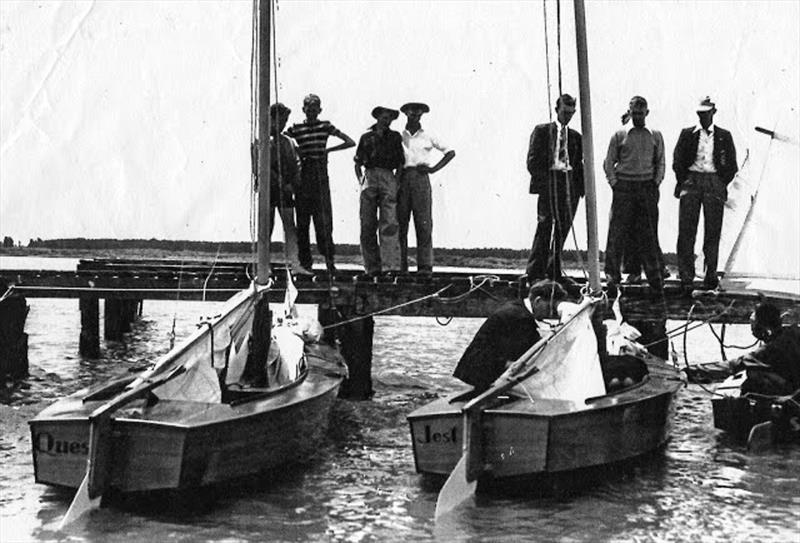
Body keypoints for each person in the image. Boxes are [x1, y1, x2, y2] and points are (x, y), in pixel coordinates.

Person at [453, 280, 569, 391]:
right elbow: (533, 351)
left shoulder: (517, 308)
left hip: (475, 366)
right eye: (549, 308)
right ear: (537, 301)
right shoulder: (520, 318)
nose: (549, 314)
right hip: (480, 370)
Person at [673, 96, 738, 291]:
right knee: (686, 231)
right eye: (700, 113)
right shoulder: (687, 134)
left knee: (713, 231)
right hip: (691, 181)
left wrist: (719, 182)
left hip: (714, 182)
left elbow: (731, 165)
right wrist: (684, 180)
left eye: (706, 113)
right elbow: (678, 160)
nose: (703, 117)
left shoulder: (724, 136)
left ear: (713, 113)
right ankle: (686, 276)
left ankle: (710, 275)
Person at [286, 94, 356, 273]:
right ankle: (305, 264)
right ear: (303, 110)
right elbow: (281, 140)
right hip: (303, 175)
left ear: (320, 110)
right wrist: (297, 152)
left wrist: (329, 150)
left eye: (314, 109)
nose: (311, 112)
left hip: (320, 175)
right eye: (308, 109)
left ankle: (330, 263)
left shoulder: (325, 126)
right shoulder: (296, 128)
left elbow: (350, 142)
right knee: (302, 222)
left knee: (324, 221)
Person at [603, 96, 665, 292]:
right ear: (629, 113)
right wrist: (614, 183)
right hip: (624, 187)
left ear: (647, 113)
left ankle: (654, 275)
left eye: (641, 113)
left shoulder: (655, 135)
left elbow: (660, 161)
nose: (638, 117)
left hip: (646, 186)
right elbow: (608, 162)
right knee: (618, 232)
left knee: (647, 233)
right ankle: (613, 274)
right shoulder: (619, 134)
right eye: (634, 113)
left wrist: (656, 183)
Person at [526, 94, 584, 285]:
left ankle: (554, 269)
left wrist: (580, 189)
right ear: (556, 109)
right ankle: (535, 271)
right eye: (565, 112)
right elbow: (532, 161)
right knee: (545, 226)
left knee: (562, 229)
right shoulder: (542, 131)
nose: (568, 116)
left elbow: (580, 164)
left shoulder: (576, 137)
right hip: (549, 184)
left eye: (571, 112)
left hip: (569, 186)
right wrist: (546, 182)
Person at [690, 302, 800, 395]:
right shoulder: (793, 332)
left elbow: (733, 366)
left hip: (794, 394)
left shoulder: (769, 351)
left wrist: (692, 371)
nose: (752, 330)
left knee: (753, 374)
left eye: (753, 325)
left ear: (764, 329)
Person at [397, 102, 455, 276]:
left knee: (424, 223)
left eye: (418, 113)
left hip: (421, 179)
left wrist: (433, 169)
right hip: (402, 177)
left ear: (422, 115)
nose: (415, 116)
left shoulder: (428, 136)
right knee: (400, 224)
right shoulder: (398, 136)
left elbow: (450, 152)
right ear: (406, 113)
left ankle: (425, 267)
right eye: (411, 113)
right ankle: (400, 267)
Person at [353, 106, 406, 276]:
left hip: (387, 176)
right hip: (369, 176)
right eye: (384, 117)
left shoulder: (395, 137)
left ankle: (390, 267)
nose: (386, 120)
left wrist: (396, 182)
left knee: (389, 222)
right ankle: (371, 268)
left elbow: (400, 163)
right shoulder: (366, 137)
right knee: (367, 224)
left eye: (389, 118)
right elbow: (357, 162)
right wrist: (361, 180)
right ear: (377, 117)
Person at [267, 103, 311, 275]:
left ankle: (295, 264)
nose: (283, 124)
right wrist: (280, 182)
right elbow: (262, 167)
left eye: (285, 121)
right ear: (270, 119)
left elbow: (295, 165)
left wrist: (293, 183)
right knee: (266, 229)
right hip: (268, 191)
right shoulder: (261, 139)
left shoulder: (288, 142)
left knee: (290, 228)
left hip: (286, 192)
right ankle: (265, 265)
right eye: (279, 120)